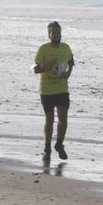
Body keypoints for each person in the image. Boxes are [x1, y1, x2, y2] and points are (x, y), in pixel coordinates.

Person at [33, 21, 74, 161]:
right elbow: (34, 69)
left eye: (58, 32)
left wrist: (68, 73)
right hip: (47, 90)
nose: (56, 35)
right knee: (49, 120)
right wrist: (47, 66)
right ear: (49, 34)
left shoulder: (66, 47)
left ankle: (59, 144)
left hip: (62, 89)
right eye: (53, 33)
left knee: (63, 119)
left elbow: (71, 62)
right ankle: (47, 147)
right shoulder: (43, 49)